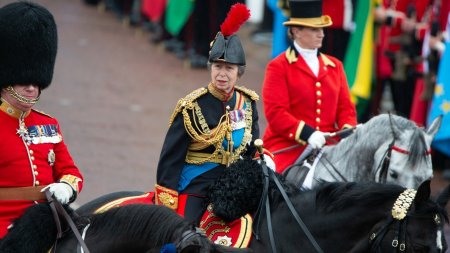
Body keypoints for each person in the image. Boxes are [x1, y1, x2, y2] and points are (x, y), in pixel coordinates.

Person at [155, 3, 260, 226]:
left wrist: (264, 160)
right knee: (183, 239)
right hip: (196, 187)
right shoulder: (192, 106)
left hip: (233, 188)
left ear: (238, 73)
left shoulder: (247, 103)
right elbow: (169, 163)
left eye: (229, 69)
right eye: (217, 67)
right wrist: (168, 207)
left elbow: (252, 150)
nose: (222, 74)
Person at [0, 1, 84, 239]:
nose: (31, 89)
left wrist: (67, 187)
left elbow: (70, 171)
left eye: (36, 83)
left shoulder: (48, 125)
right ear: (6, 81)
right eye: (24, 82)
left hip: (48, 222)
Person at [262, 0, 358, 174]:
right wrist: (308, 134)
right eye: (315, 29)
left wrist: (346, 135)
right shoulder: (279, 66)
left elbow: (346, 109)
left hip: (328, 147)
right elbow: (276, 113)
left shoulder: (335, 66)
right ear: (296, 31)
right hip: (288, 146)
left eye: (322, 29)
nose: (321, 34)